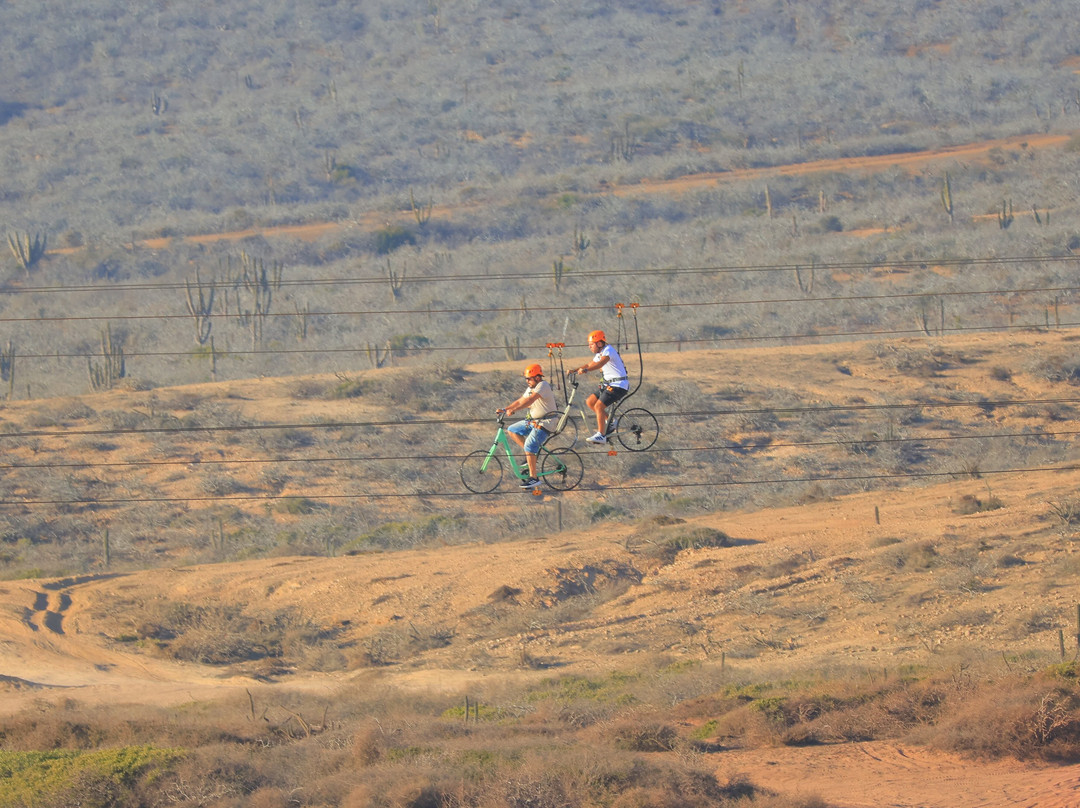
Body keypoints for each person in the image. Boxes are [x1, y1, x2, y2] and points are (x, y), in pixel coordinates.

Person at [497, 363, 558, 489]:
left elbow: (530, 401)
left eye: (529, 378)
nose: (527, 381)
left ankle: (534, 478)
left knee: (530, 445)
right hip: (533, 421)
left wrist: (514, 410)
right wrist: (506, 409)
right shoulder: (531, 388)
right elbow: (521, 400)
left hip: (546, 423)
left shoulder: (543, 385)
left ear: (537, 377)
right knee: (512, 430)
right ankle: (530, 456)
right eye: (526, 379)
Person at [575, 329, 629, 444]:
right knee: (590, 402)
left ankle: (601, 435)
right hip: (609, 384)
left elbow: (600, 364)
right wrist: (574, 370)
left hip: (618, 385)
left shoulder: (608, 350)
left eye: (591, 344)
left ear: (599, 343)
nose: (590, 347)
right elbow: (591, 364)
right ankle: (610, 421)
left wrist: (586, 370)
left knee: (599, 406)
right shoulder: (600, 353)